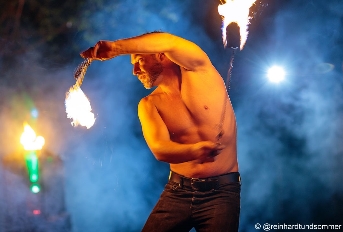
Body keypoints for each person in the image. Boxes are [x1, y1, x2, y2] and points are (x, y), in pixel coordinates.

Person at [81, 31, 241, 232]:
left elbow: (168, 41)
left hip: (222, 193)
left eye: (139, 60)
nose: (135, 71)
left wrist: (114, 48)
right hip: (178, 192)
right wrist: (196, 150)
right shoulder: (149, 104)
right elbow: (160, 149)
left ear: (160, 55)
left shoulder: (199, 68)